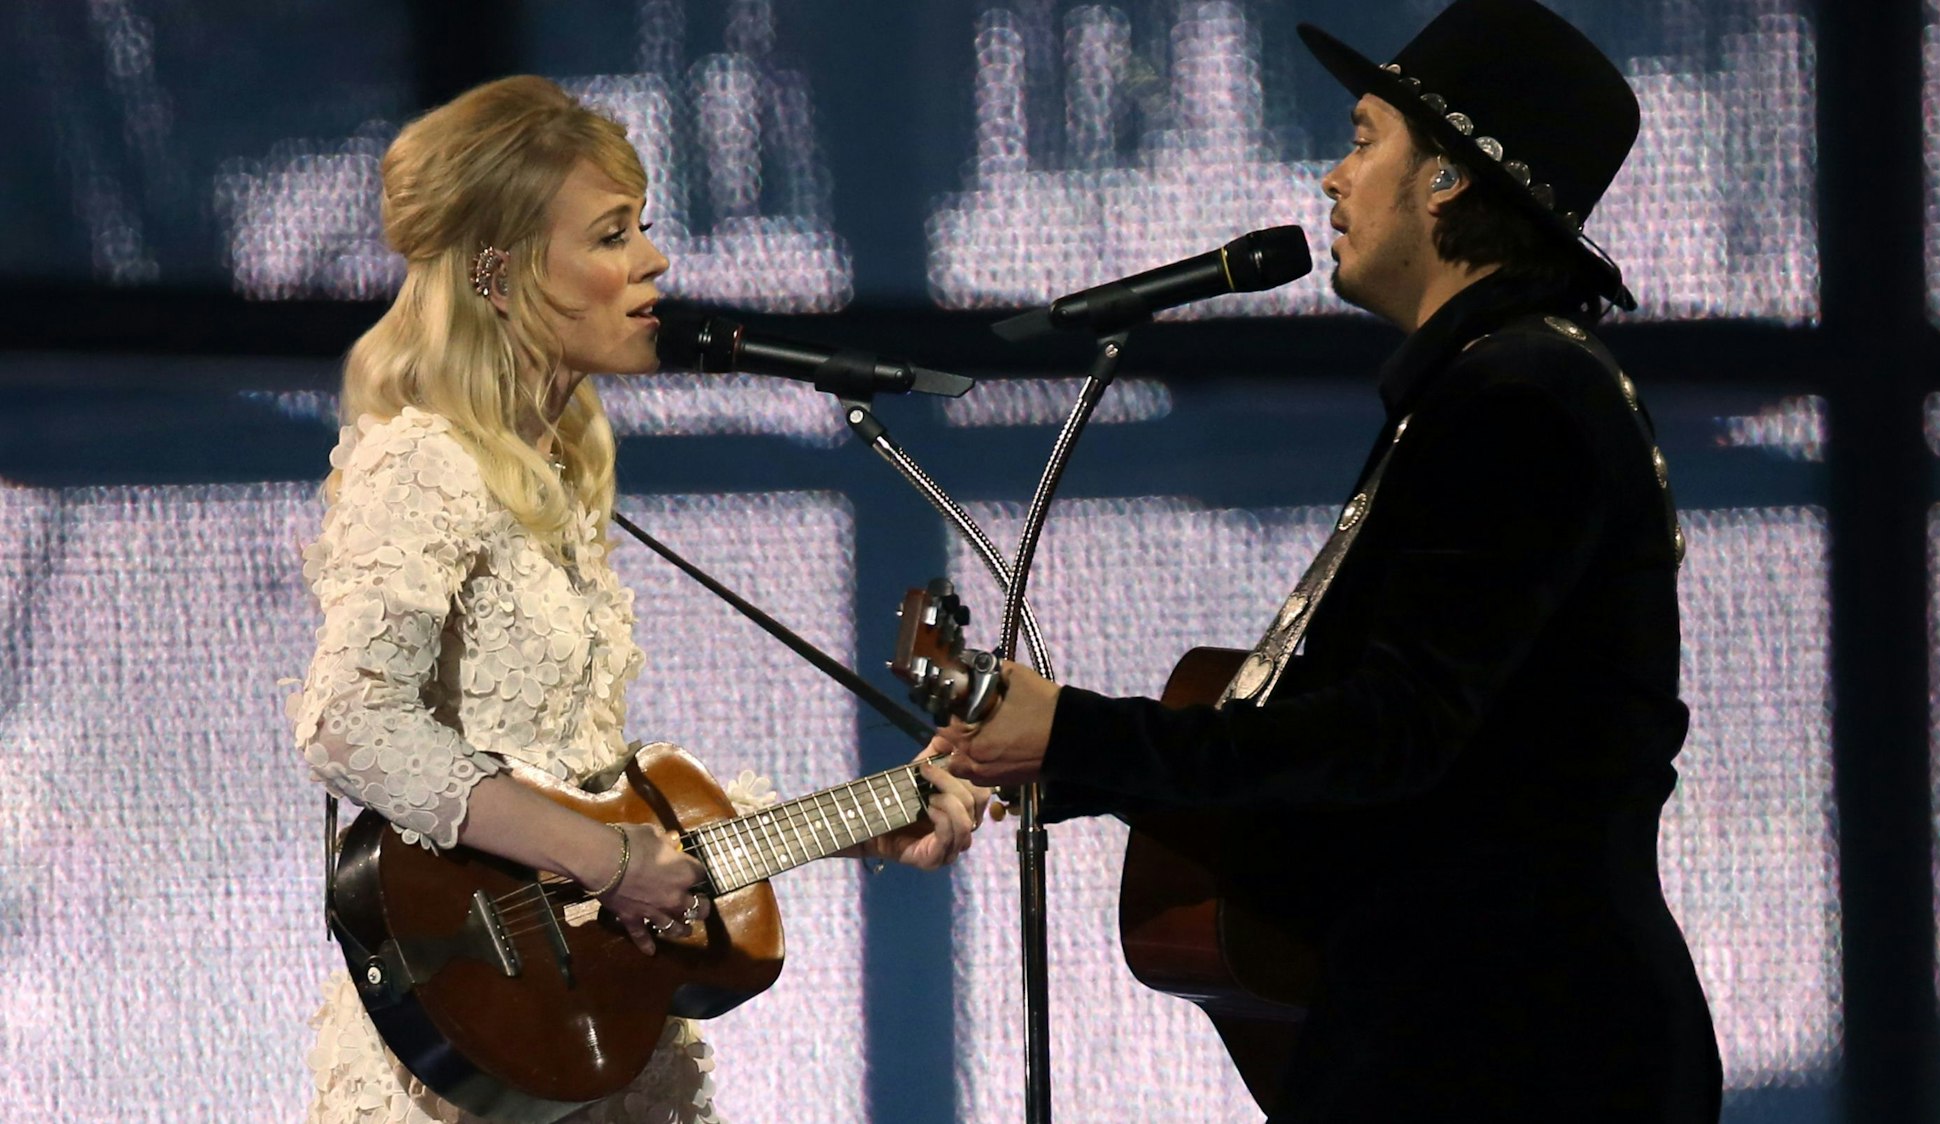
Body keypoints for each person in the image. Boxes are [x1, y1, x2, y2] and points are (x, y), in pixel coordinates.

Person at [937, 2, 1723, 1120]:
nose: (1330, 179)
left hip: (1519, 1051)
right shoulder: (1481, 390)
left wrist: (1075, 733)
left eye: (1362, 139)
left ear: (1446, 178)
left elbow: (1388, 731)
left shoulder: (1519, 401)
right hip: (1473, 1032)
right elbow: (1371, 742)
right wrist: (1047, 764)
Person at [286, 76, 987, 1124]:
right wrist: (607, 858)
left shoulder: (555, 479)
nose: (654, 262)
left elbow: (598, 792)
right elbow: (350, 723)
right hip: (468, 1046)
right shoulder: (424, 462)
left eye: (644, 229)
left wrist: (868, 820)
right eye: (613, 234)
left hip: (597, 1036)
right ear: (501, 271)